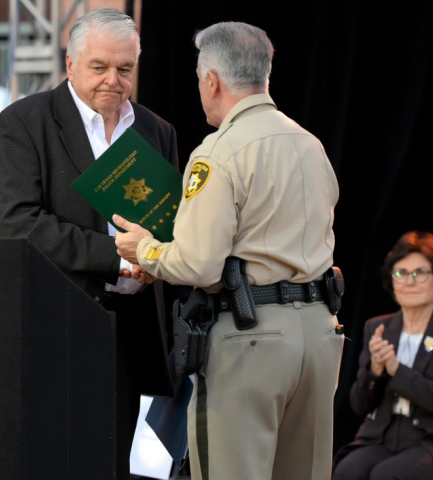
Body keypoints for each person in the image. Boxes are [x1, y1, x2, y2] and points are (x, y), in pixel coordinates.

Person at [114, 21, 343, 480]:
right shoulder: (311, 144)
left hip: (251, 337)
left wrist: (147, 250)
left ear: (211, 80)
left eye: (199, 76)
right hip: (320, 337)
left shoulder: (218, 152)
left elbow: (199, 264)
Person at [0, 7, 180, 475]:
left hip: (133, 331)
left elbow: (175, 221)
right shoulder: (26, 121)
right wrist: (119, 259)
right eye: (99, 67)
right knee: (57, 460)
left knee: (111, 462)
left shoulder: (157, 131)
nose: (113, 81)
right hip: (61, 324)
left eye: (125, 69)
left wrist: (165, 256)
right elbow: (19, 224)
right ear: (70, 63)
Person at [333, 231, 433, 479]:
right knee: (347, 470)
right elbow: (359, 405)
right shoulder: (378, 328)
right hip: (381, 439)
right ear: (392, 281)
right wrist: (375, 370)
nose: (409, 281)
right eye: (400, 273)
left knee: (387, 475)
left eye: (420, 273)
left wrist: (398, 371)